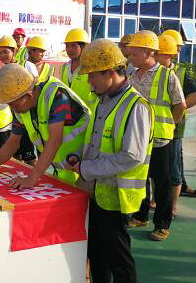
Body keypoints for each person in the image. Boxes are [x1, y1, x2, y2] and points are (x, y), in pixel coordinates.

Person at [63, 39, 153, 283]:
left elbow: (131, 156)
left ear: (110, 72)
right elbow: (96, 141)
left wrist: (87, 168)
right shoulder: (102, 100)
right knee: (96, 254)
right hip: (94, 192)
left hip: (115, 198)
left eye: (93, 76)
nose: (89, 82)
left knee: (118, 260)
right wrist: (80, 158)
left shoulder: (136, 106)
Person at [0, 63, 91, 187]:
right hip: (65, 169)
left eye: (13, 104)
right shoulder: (22, 106)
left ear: (28, 95)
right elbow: (13, 142)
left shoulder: (57, 95)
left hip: (85, 168)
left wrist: (31, 179)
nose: (13, 109)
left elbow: (54, 141)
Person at [126, 30, 186, 241]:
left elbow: (180, 105)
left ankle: (162, 224)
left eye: (134, 54)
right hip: (137, 139)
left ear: (148, 52)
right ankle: (141, 216)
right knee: (140, 179)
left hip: (160, 139)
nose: (130, 58)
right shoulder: (132, 77)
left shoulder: (167, 76)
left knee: (161, 183)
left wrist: (170, 124)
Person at [156, 34, 196, 217]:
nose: (154, 57)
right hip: (157, 129)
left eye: (157, 53)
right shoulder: (153, 72)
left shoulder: (180, 73)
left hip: (174, 130)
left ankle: (173, 206)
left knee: (174, 169)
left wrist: (175, 113)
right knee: (158, 168)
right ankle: (156, 201)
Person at [0, 35, 38, 164]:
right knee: (15, 155)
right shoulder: (3, 71)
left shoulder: (27, 65)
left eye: (5, 52)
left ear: (14, 51)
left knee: (29, 156)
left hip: (28, 117)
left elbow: (34, 89)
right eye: (0, 52)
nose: (2, 55)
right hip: (14, 119)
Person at [58, 28, 97, 108]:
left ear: (84, 47)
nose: (69, 49)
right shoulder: (64, 68)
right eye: (67, 46)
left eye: (73, 46)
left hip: (88, 114)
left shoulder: (92, 68)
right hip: (68, 113)